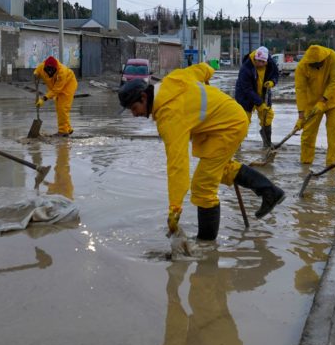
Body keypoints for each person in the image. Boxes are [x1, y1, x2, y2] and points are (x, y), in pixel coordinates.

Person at [118, 63, 285, 240]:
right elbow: (205, 69)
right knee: (219, 170)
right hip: (223, 123)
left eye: (134, 108)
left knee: (202, 187)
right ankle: (270, 192)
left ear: (144, 97)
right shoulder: (174, 79)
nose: (134, 115)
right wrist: (206, 91)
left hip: (228, 127)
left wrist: (175, 207)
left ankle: (206, 246)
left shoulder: (170, 117)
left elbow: (177, 165)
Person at [294, 44, 335, 165]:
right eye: (312, 64)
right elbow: (300, 91)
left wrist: (323, 100)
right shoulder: (301, 67)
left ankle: (332, 162)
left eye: (317, 64)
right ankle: (306, 162)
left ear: (323, 59)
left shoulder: (333, 57)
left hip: (334, 100)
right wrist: (301, 115)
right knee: (308, 134)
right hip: (312, 103)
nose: (315, 66)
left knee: (334, 132)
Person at [234, 46, 279, 145]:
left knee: (267, 116)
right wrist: (259, 103)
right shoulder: (246, 68)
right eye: (258, 61)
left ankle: (267, 142)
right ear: (255, 58)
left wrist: (272, 82)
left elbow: (275, 74)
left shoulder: (270, 63)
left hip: (263, 94)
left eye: (263, 62)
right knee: (243, 120)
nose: (260, 64)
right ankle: (236, 144)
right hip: (245, 97)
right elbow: (247, 89)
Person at [34, 55, 78, 136]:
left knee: (62, 108)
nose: (50, 73)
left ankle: (63, 131)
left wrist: (44, 98)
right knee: (59, 108)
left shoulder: (62, 72)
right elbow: (37, 71)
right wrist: (36, 74)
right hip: (57, 87)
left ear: (55, 68)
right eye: (48, 71)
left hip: (68, 85)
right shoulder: (42, 67)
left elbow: (56, 90)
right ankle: (68, 128)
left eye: (52, 71)